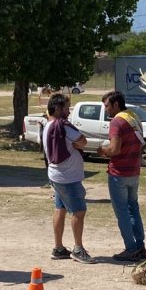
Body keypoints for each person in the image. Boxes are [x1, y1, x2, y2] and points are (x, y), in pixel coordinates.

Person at [42, 93, 93, 264]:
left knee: (60, 209)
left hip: (56, 175)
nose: (69, 111)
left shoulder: (48, 125)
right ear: (57, 108)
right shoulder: (63, 126)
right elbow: (83, 141)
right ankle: (78, 249)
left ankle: (58, 248)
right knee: (79, 211)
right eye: (66, 108)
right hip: (68, 178)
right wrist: (77, 145)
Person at [97, 91, 146, 262]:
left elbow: (114, 149)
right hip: (134, 171)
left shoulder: (117, 121)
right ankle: (140, 246)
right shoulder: (133, 117)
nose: (106, 110)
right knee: (133, 208)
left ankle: (130, 249)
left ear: (116, 105)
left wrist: (102, 150)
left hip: (119, 173)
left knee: (122, 212)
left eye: (107, 106)